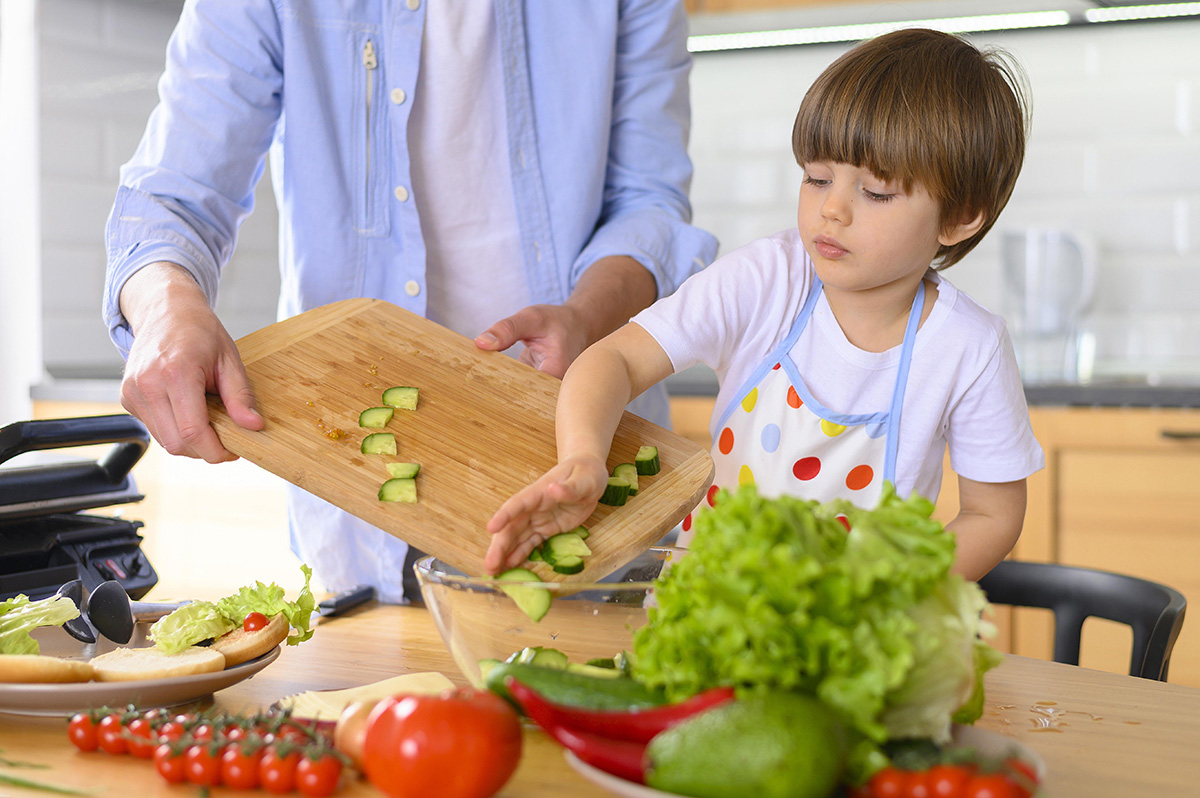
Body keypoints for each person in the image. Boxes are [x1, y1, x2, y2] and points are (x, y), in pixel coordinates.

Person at [102, 1, 717, 603]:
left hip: (597, 499)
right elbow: (175, 195)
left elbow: (649, 204)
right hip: (362, 521)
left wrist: (587, 317)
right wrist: (164, 307)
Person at [485, 27, 1045, 582]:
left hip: (842, 648)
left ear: (958, 217)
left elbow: (991, 514)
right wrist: (582, 460)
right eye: (817, 178)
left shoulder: (969, 346)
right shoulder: (769, 280)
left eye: (875, 193)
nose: (833, 210)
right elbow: (616, 360)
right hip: (699, 615)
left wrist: (888, 597)